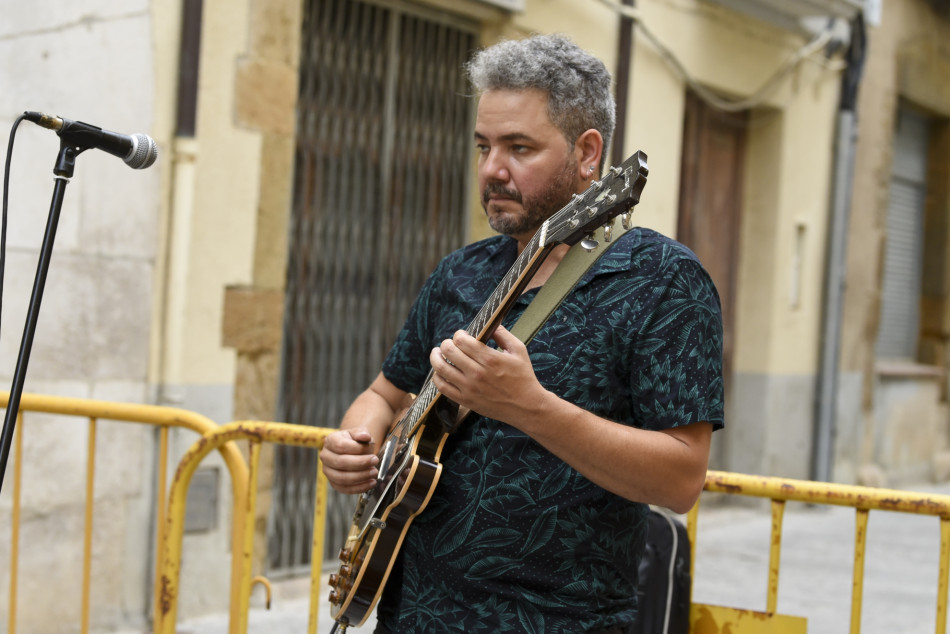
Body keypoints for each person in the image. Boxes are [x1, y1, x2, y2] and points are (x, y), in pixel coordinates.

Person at [320, 33, 724, 633]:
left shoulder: (663, 281)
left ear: (589, 153)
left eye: (519, 147)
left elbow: (681, 478)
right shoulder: (463, 271)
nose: (491, 170)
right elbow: (386, 393)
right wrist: (359, 440)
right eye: (483, 145)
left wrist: (531, 408)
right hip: (414, 615)